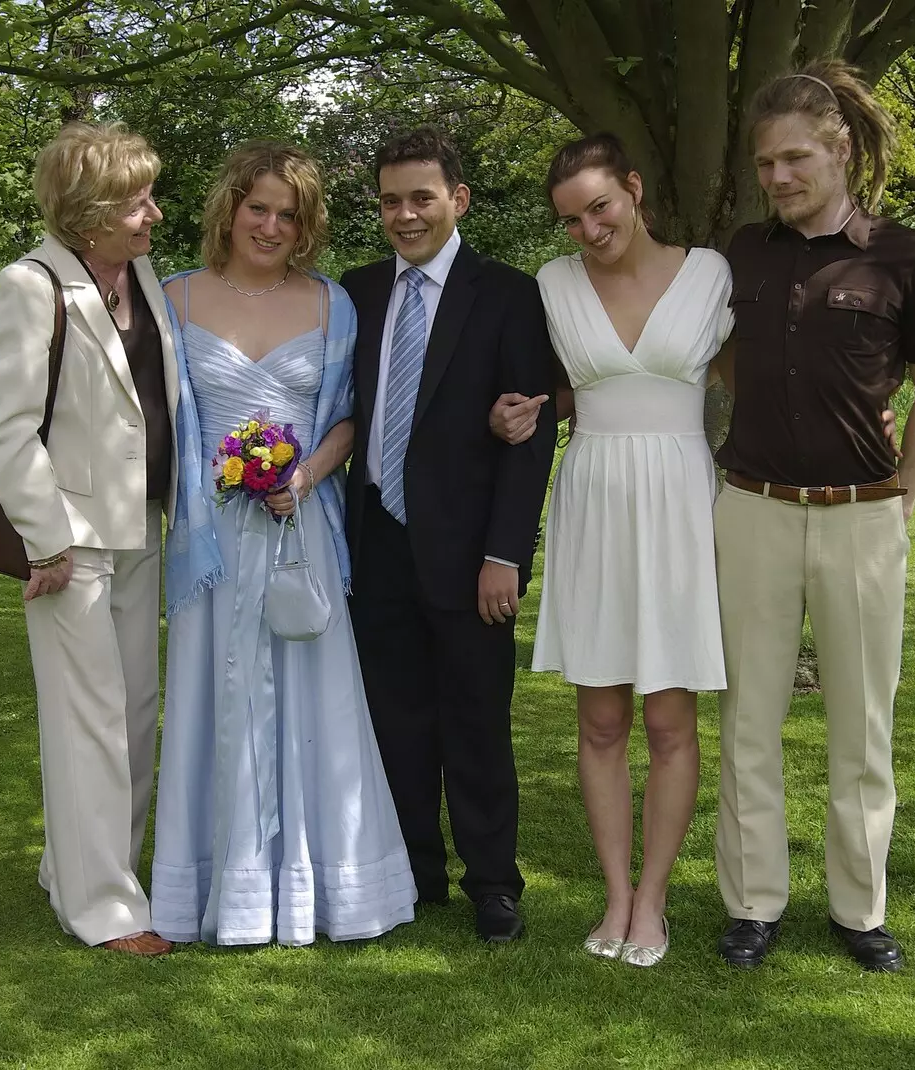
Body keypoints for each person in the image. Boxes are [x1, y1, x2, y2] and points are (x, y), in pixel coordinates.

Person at [712, 60, 915, 973]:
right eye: (765, 164)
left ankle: (860, 911)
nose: (778, 178)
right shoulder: (740, 254)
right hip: (752, 512)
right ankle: (752, 905)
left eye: (794, 159)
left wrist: (904, 496)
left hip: (863, 519)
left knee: (863, 726)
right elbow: (721, 361)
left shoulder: (906, 255)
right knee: (749, 719)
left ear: (840, 149)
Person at [149, 142, 416, 947]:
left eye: (288, 214)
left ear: (306, 226)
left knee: (316, 697)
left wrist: (300, 480)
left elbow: (347, 417)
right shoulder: (174, 300)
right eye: (257, 207)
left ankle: (321, 888)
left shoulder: (334, 304)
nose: (270, 225)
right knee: (215, 697)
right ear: (228, 207)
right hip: (213, 541)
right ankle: (219, 886)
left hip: (301, 528)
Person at [490, 134, 736, 966]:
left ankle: (655, 902)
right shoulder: (553, 287)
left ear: (633, 188)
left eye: (601, 206)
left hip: (677, 502)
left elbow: (758, 375)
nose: (590, 229)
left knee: (669, 718)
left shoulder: (711, 273)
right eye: (571, 219)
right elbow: (558, 390)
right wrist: (523, 413)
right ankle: (616, 895)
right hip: (592, 498)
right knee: (600, 719)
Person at [340, 126, 559, 943]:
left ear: (457, 200)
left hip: (473, 556)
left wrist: (505, 552)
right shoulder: (357, 293)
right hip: (376, 546)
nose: (406, 214)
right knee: (393, 719)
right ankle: (412, 873)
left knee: (475, 721)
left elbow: (530, 432)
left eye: (421, 197)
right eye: (392, 199)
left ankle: (493, 884)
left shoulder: (507, 294)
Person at [0, 121, 178, 956]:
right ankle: (103, 909)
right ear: (89, 209)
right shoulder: (29, 285)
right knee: (89, 720)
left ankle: (84, 869)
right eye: (136, 203)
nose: (153, 215)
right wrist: (48, 544)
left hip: (143, 527)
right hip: (73, 544)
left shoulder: (142, 275)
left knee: (133, 714)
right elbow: (6, 432)